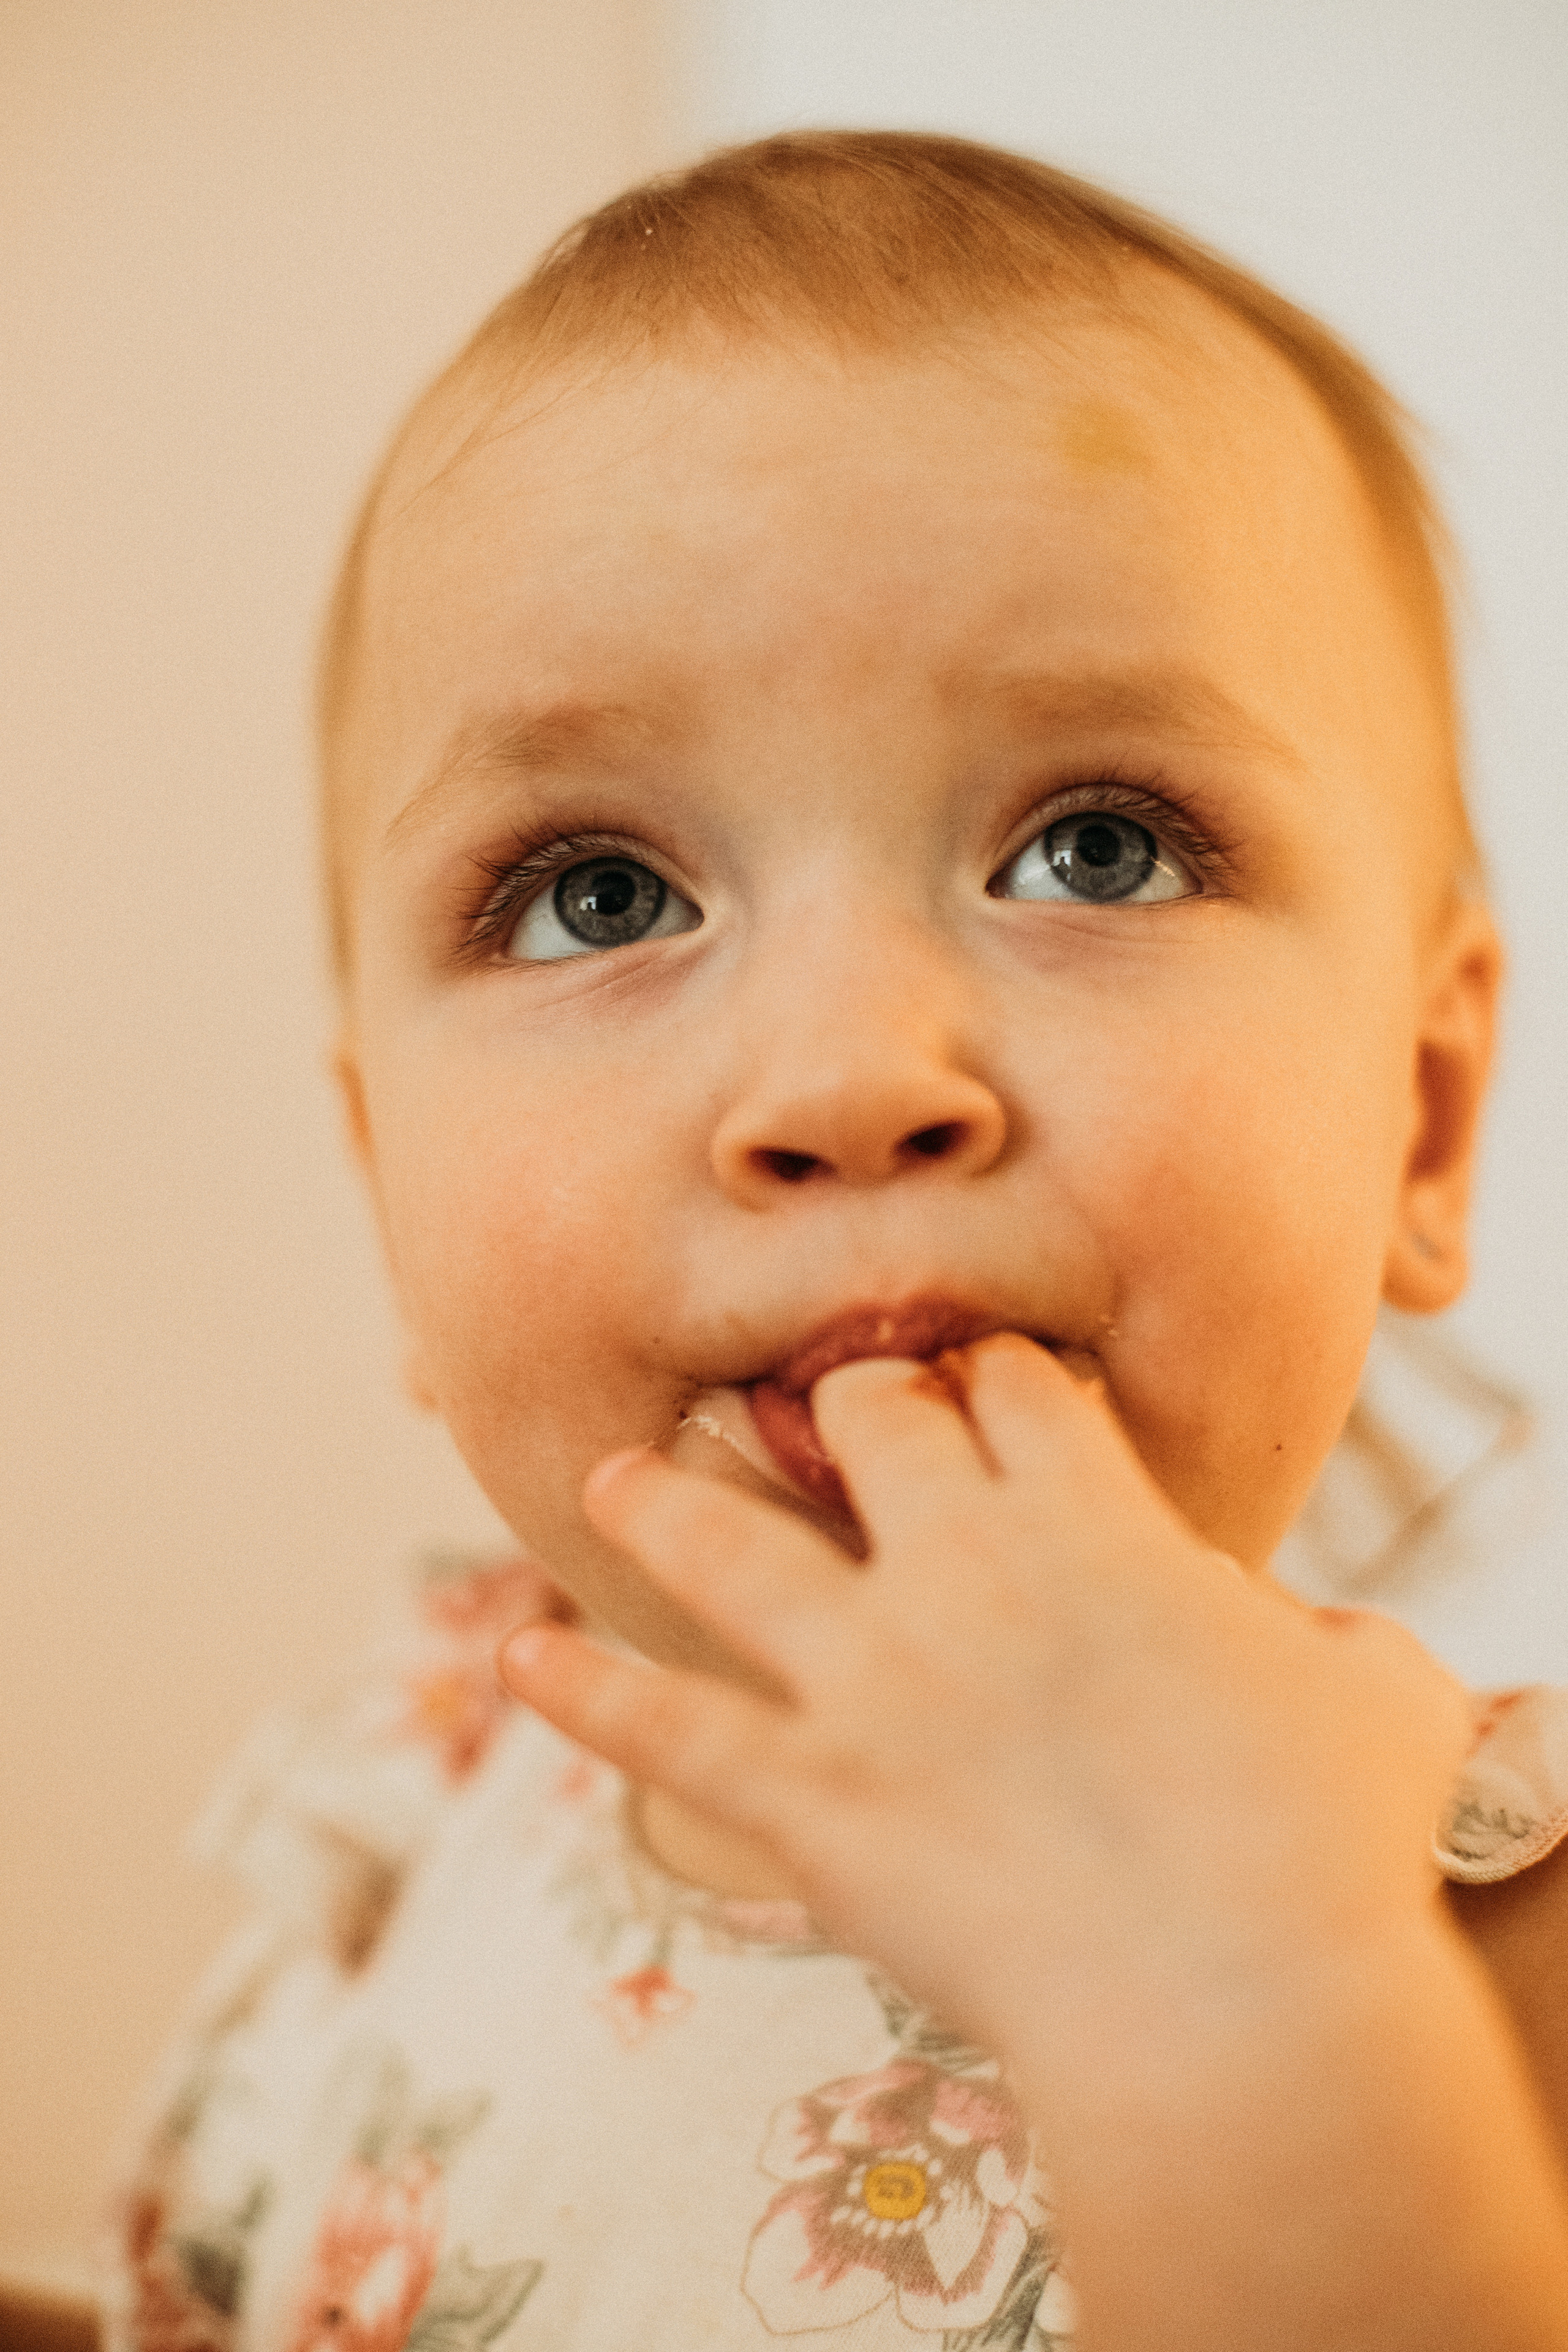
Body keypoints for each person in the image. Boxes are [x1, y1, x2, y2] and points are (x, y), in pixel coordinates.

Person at [105, 132, 1568, 2352]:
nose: (850, 1077)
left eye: (1095, 849)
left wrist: (1263, 2012)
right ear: (386, 1187)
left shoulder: (1484, 1970)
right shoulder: (412, 1812)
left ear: (1427, 1116)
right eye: (602, 894)